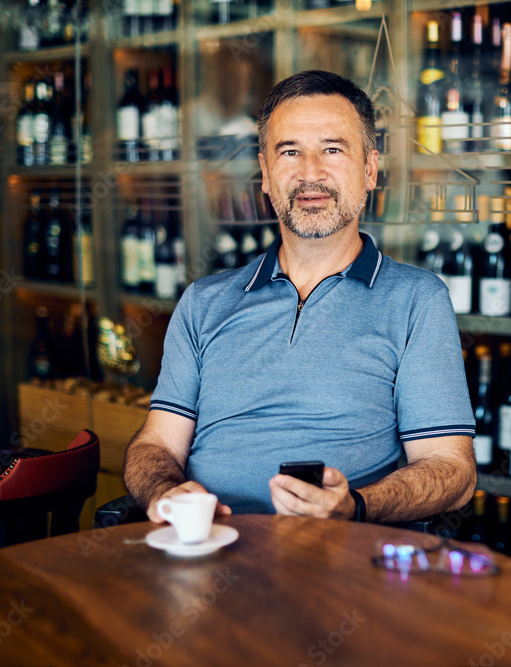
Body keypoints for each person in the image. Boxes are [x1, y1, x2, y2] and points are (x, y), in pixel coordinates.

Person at [123, 70, 476, 523]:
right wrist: (166, 493)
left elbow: (453, 471)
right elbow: (155, 445)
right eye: (290, 152)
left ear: (370, 170)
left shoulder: (416, 301)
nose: (311, 173)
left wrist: (354, 506)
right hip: (208, 547)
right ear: (266, 174)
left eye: (332, 149)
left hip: (338, 561)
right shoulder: (203, 302)